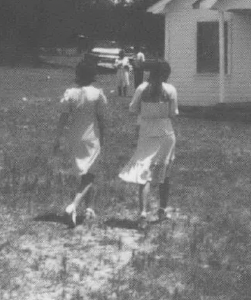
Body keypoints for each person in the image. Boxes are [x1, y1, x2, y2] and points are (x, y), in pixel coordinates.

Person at [119, 60, 178, 228]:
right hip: (166, 133)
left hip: (146, 132)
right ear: (166, 74)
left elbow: (132, 109)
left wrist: (146, 111)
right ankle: (162, 209)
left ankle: (143, 214)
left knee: (143, 174)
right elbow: (173, 113)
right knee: (164, 172)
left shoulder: (142, 88)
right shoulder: (171, 90)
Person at [53, 61, 108, 226]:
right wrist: (104, 137)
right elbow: (101, 119)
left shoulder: (70, 93)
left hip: (74, 136)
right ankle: (73, 206)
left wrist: (57, 138)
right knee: (90, 175)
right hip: (91, 137)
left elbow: (63, 117)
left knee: (86, 173)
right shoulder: (97, 94)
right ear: (93, 76)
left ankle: (89, 208)